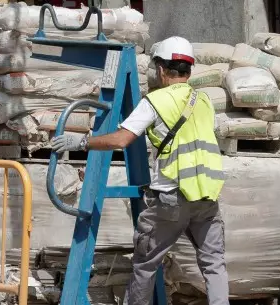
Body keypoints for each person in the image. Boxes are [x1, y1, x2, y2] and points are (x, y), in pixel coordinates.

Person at [50, 36, 229, 305]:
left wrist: (82, 142)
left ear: (159, 69)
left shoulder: (156, 101)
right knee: (214, 265)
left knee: (145, 267)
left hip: (172, 196)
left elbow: (122, 139)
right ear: (188, 69)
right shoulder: (203, 100)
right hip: (206, 197)